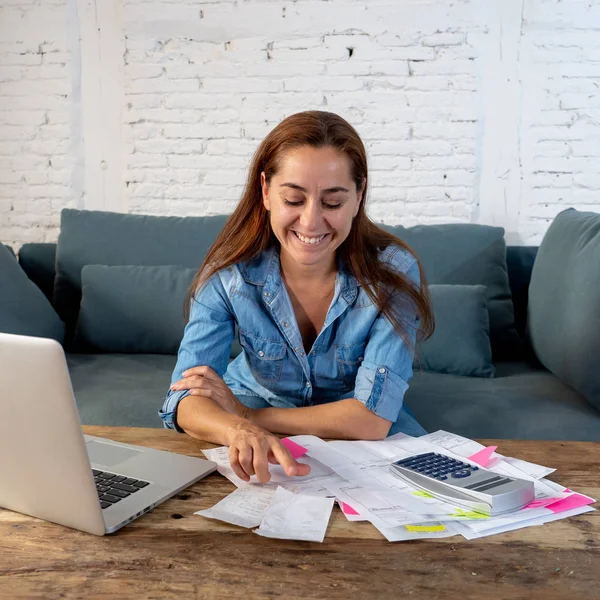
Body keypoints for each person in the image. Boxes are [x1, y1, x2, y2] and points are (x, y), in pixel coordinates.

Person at [159, 111, 434, 485]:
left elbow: (371, 419)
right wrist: (235, 430)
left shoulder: (393, 273)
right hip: (253, 403)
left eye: (333, 203)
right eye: (293, 199)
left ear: (358, 196)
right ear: (266, 192)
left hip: (349, 425)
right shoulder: (230, 274)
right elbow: (184, 399)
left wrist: (248, 417)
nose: (310, 221)